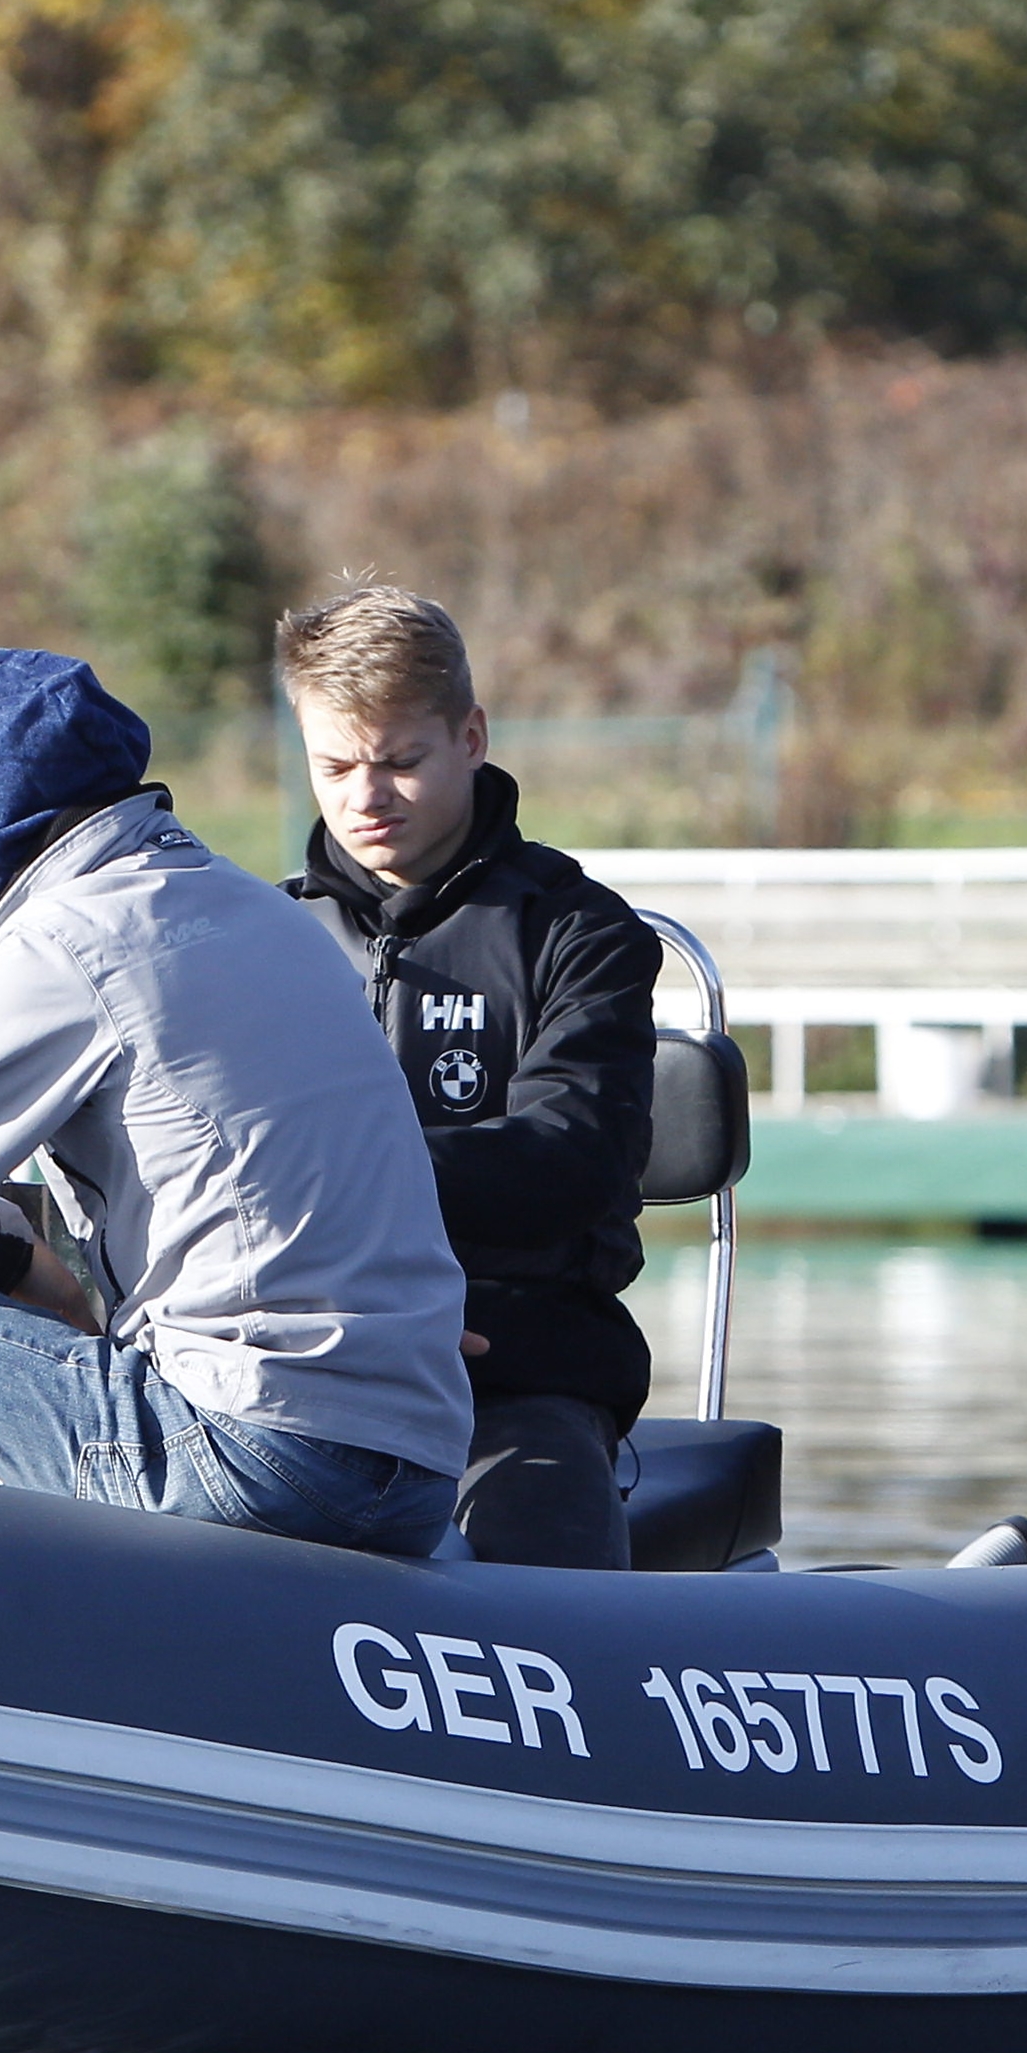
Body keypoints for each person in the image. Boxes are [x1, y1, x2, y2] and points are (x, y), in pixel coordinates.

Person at [0, 649, 471, 1555]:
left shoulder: (59, 942)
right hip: (417, 1473)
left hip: (248, 1455)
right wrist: (27, 1249)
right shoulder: (261, 909)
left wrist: (24, 1268)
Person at [278, 585, 662, 1567]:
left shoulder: (581, 932)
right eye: (335, 765)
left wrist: (343, 1192)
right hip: (301, 1360)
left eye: (402, 761)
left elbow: (573, 1156)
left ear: (472, 736)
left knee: (544, 1566)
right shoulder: (263, 941)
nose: (367, 795)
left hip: (518, 1373)